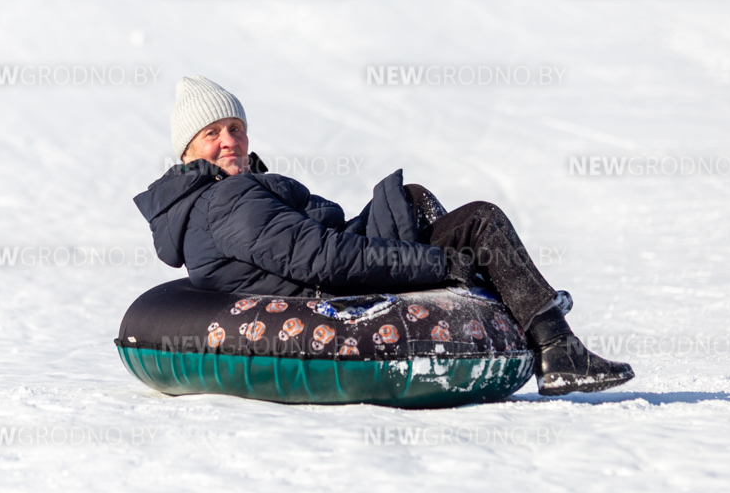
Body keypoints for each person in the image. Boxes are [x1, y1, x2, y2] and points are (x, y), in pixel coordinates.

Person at [134, 77, 636, 397]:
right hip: (330, 294)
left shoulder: (217, 198)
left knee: (410, 199)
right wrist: (438, 266)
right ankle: (550, 343)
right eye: (213, 133)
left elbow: (311, 241)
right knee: (480, 220)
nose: (230, 141)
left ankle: (518, 305)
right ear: (188, 152)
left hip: (318, 276)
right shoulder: (228, 200)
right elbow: (323, 259)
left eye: (236, 128)